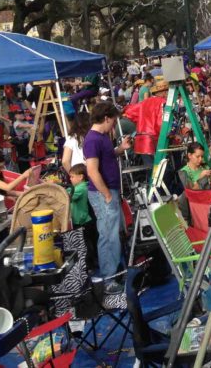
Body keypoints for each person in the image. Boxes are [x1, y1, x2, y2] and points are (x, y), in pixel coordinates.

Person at [84, 101, 133, 292]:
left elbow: (106, 158)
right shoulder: (93, 139)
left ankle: (112, 273)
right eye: (113, 121)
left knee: (112, 233)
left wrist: (120, 149)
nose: (114, 124)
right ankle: (108, 278)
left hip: (108, 191)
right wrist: (106, 194)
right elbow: (92, 171)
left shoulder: (100, 137)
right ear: (106, 118)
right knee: (108, 235)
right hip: (103, 193)